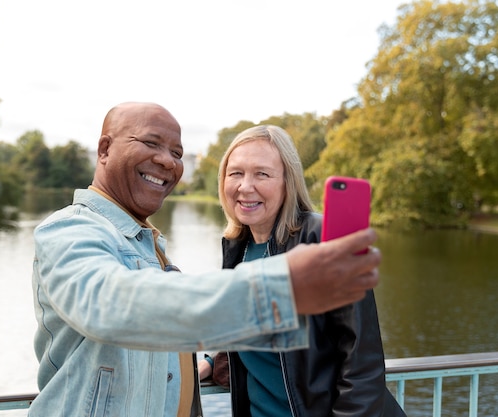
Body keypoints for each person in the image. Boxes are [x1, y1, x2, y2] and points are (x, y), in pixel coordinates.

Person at [29, 102, 382, 417]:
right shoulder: (71, 228)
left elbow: (359, 364)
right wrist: (281, 289)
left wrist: (215, 356)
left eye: (177, 152)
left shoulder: (145, 242)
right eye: (151, 143)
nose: (167, 160)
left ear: (288, 182)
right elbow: (113, 303)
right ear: (105, 149)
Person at [199, 125, 405, 416]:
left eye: (262, 174)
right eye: (235, 173)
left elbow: (361, 361)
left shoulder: (321, 238)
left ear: (287, 181)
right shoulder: (237, 248)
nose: (245, 186)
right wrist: (212, 358)